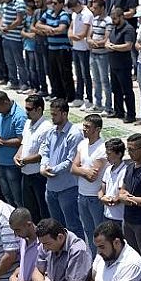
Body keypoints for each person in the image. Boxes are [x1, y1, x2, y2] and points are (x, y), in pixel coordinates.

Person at [39, 98, 85, 240]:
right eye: (51, 114)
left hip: (68, 188)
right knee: (56, 227)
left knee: (73, 227)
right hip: (51, 188)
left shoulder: (74, 134)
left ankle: (78, 254)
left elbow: (70, 161)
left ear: (64, 114)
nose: (52, 117)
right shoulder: (51, 132)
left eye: (55, 114)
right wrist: (43, 166)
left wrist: (52, 170)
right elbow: (45, 151)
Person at [71, 114, 107, 256]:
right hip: (82, 194)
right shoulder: (82, 144)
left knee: (99, 232)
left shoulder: (102, 148)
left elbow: (93, 176)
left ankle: (102, 258)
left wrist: (80, 170)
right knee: (88, 230)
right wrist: (84, 171)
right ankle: (92, 258)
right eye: (84, 125)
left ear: (97, 129)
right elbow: (72, 168)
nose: (84, 129)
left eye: (87, 127)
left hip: (95, 197)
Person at [15, 95, 52, 223]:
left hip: (38, 176)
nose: (26, 112)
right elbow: (24, 144)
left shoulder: (46, 127)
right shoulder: (27, 123)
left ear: (39, 109)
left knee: (43, 210)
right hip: (25, 173)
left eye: (29, 109)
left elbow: (42, 154)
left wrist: (24, 160)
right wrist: (17, 155)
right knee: (30, 210)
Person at [118, 133, 141, 264]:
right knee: (132, 258)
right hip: (127, 220)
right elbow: (122, 189)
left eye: (132, 149)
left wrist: (130, 200)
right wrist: (122, 196)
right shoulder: (130, 167)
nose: (130, 153)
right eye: (128, 149)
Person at [8, 208, 46, 281]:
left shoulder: (44, 245)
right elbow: (23, 265)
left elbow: (48, 277)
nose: (15, 234)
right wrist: (13, 276)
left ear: (29, 225)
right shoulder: (23, 240)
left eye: (17, 230)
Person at [35, 0, 75, 102]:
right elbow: (38, 24)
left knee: (65, 73)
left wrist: (49, 31)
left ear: (61, 4)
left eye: (55, 3)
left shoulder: (64, 15)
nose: (53, 5)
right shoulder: (48, 13)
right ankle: (58, 94)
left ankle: (69, 96)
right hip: (52, 48)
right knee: (53, 72)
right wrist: (49, 28)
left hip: (62, 48)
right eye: (52, 3)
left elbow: (61, 29)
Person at [0, 91, 27, 208]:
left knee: (18, 198)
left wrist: (2, 143)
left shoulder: (19, 116)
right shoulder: (1, 114)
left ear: (5, 102)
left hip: (13, 164)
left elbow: (21, 140)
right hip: (1, 162)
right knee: (7, 195)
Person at [106, 8, 137, 123]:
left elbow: (128, 46)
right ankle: (119, 111)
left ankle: (130, 114)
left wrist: (113, 47)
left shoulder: (128, 29)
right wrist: (108, 44)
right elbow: (108, 40)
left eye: (115, 18)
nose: (113, 21)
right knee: (116, 89)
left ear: (121, 17)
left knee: (127, 91)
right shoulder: (114, 28)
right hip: (113, 64)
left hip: (123, 65)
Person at [87, 0, 114, 116]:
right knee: (96, 80)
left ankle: (108, 107)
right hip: (93, 53)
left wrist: (96, 43)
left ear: (102, 8)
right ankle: (97, 104)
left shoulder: (108, 21)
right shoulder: (94, 19)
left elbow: (106, 38)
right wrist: (89, 40)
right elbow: (89, 35)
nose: (93, 10)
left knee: (104, 81)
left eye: (96, 7)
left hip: (103, 54)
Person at [67, 0, 94, 110]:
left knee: (86, 74)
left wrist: (74, 36)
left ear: (78, 4)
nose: (73, 11)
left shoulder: (87, 14)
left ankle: (89, 99)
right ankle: (79, 96)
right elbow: (71, 28)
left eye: (74, 8)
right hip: (76, 47)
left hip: (84, 48)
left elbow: (83, 34)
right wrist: (72, 36)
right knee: (78, 74)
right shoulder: (75, 14)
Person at [99, 138, 127, 223]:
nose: (107, 156)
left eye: (109, 154)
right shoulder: (108, 169)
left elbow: (121, 193)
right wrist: (101, 197)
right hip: (106, 214)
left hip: (119, 217)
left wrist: (112, 200)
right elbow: (102, 189)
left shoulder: (125, 171)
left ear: (119, 154)